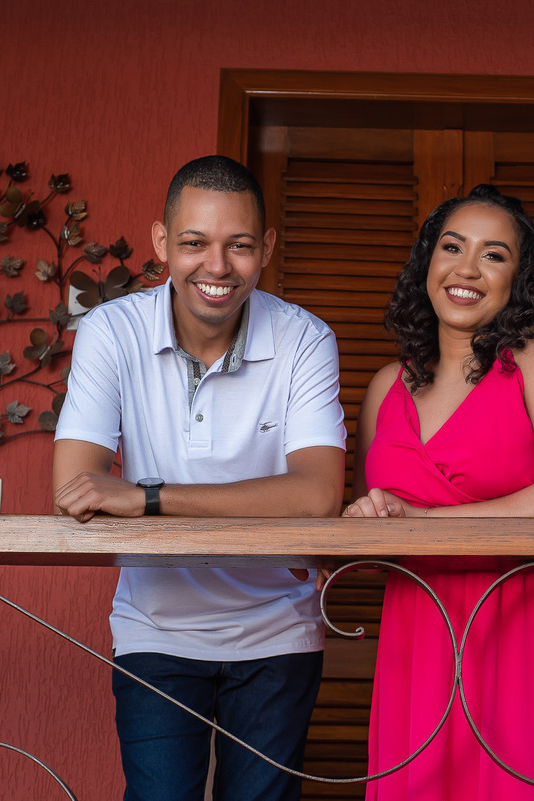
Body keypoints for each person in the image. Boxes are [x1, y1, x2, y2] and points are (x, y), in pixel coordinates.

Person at [53, 155, 346, 801]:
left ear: (266, 247)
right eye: (194, 243)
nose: (217, 266)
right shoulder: (111, 331)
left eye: (239, 245)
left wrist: (147, 497)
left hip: (279, 626)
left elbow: (318, 494)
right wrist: (257, 504)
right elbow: (75, 487)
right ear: (162, 242)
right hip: (154, 624)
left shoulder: (305, 339)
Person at [344, 185, 534, 800]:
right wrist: (363, 520)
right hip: (417, 627)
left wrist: (420, 521)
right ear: (427, 262)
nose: (467, 269)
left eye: (494, 255)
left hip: (520, 618)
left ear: (518, 277)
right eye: (452, 247)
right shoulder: (384, 388)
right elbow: (370, 529)